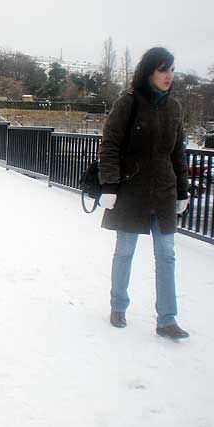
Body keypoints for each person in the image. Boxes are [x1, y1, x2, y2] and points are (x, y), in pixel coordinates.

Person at [98, 47, 190, 339]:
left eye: (172, 69)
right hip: (131, 189)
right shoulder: (129, 103)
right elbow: (110, 143)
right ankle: (118, 306)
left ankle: (167, 320)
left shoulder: (174, 107)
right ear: (149, 71)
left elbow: (178, 152)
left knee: (167, 254)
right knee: (125, 251)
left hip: (163, 190)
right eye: (163, 69)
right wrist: (110, 185)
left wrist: (183, 190)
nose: (169, 75)